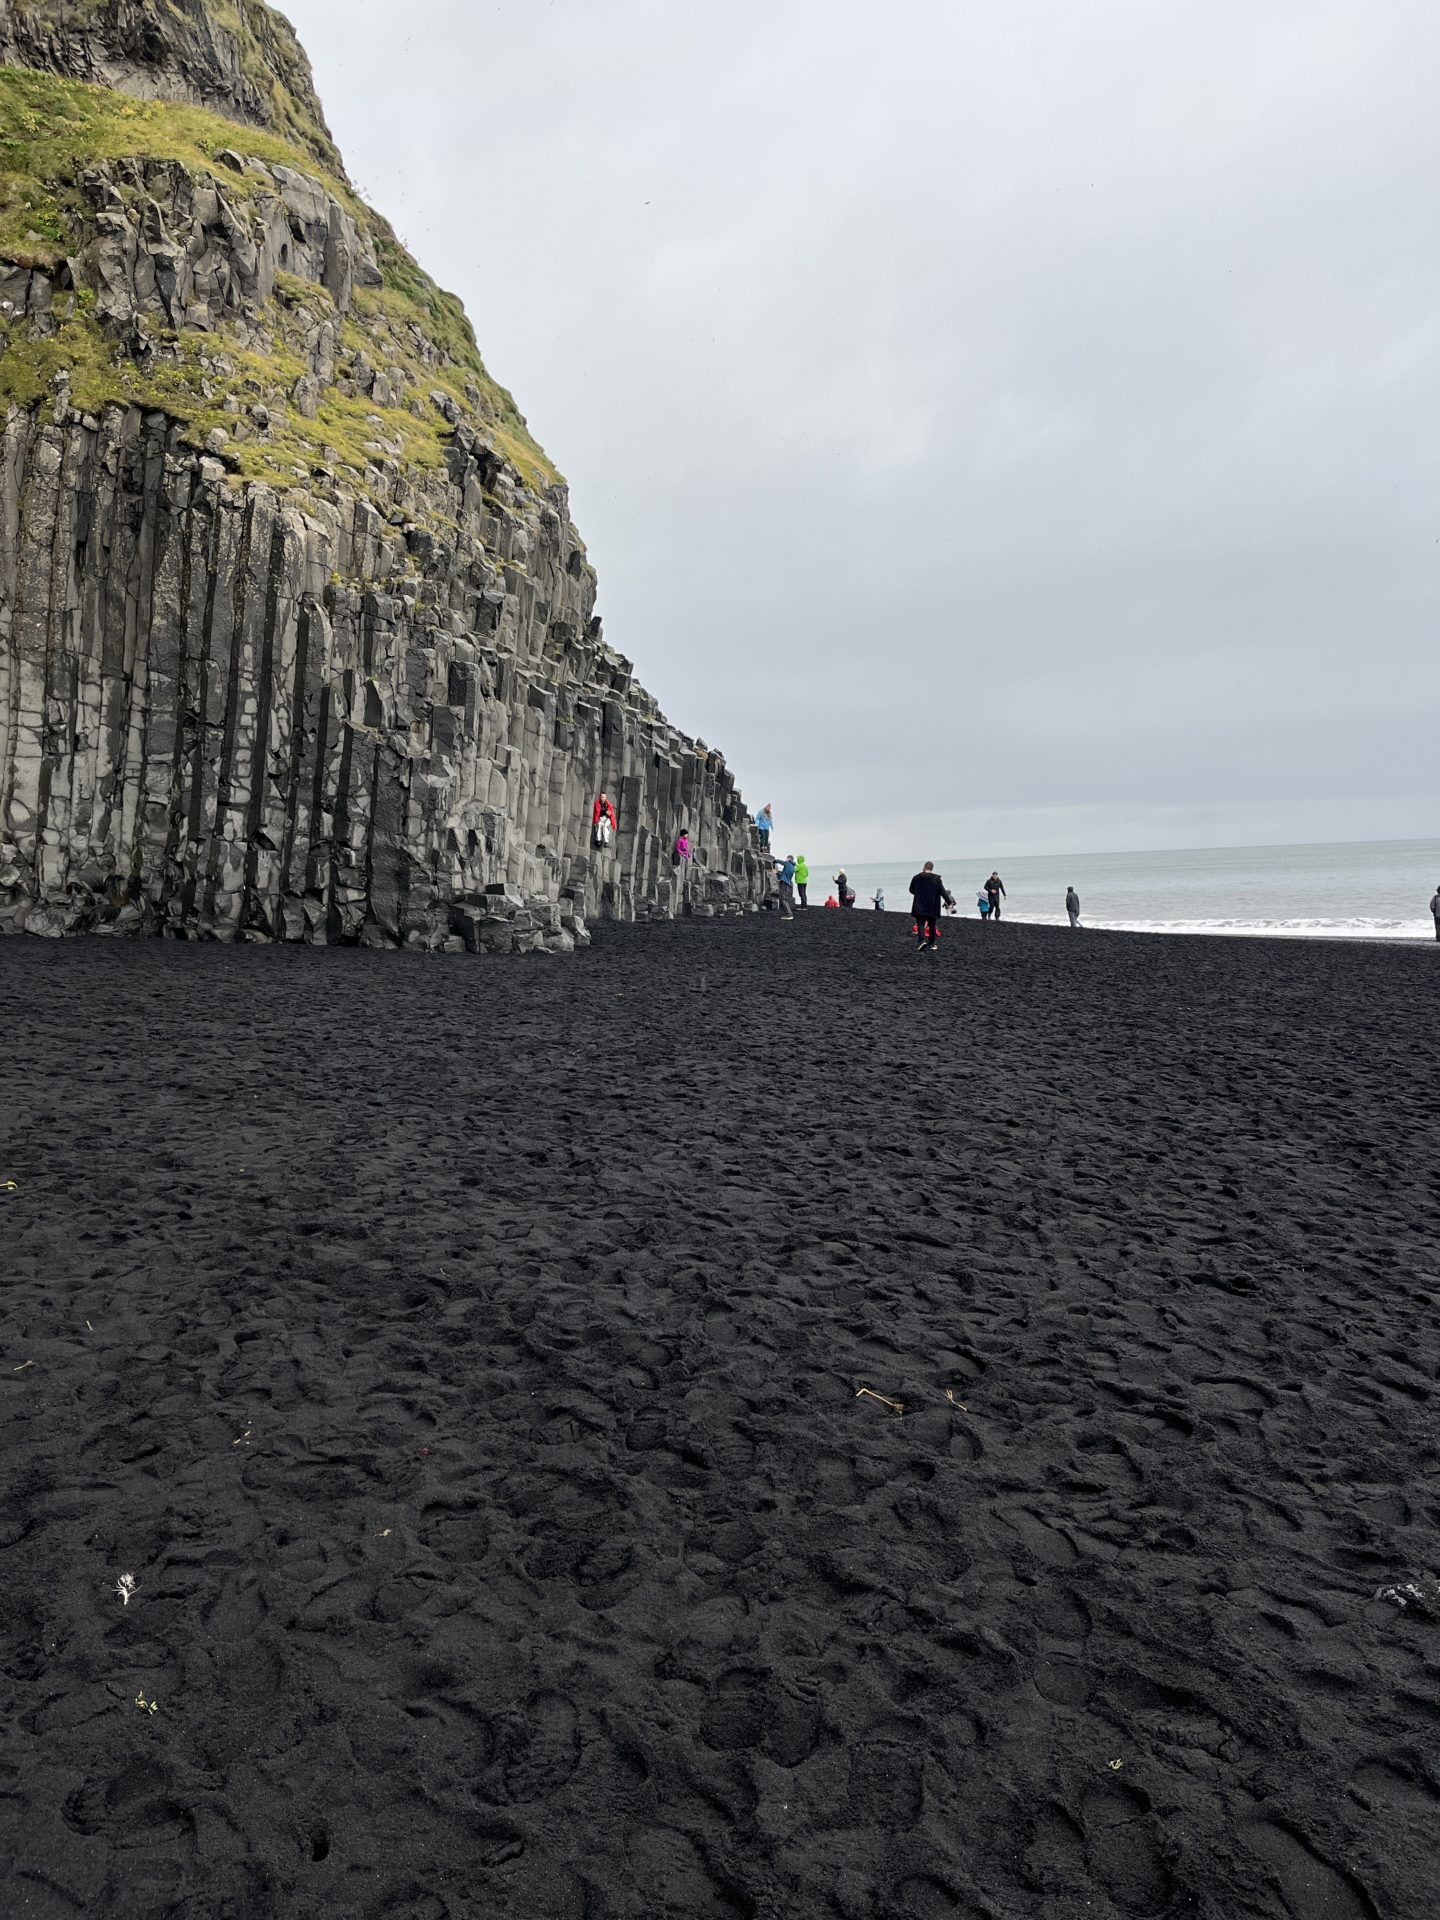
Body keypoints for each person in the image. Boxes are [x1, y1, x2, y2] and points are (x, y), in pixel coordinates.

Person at [909, 863, 956, 953]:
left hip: (920, 904)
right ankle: (931, 944)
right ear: (932, 869)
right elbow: (943, 892)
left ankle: (922, 941)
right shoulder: (936, 879)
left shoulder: (916, 878)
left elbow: (911, 890)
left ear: (924, 868)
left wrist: (919, 894)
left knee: (920, 924)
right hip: (932, 905)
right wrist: (949, 902)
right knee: (932, 925)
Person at [775, 853, 797, 921]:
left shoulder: (788, 863)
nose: (786, 859)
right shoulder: (792, 867)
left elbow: (781, 862)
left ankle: (789, 914)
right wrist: (778, 873)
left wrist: (775, 861)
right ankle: (789, 914)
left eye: (787, 858)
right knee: (784, 899)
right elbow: (785, 874)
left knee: (782, 899)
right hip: (787, 883)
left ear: (789, 858)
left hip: (784, 883)